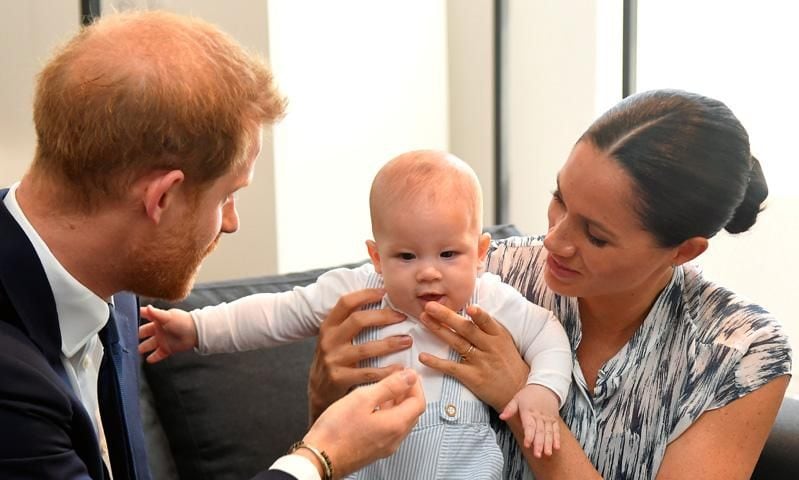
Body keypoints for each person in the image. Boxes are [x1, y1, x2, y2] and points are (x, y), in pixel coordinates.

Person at [0, 10, 425, 480]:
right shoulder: (11, 383)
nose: (231, 223)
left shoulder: (114, 282)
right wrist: (319, 458)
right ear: (161, 197)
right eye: (227, 196)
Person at [306, 90, 793, 479]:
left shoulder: (739, 353)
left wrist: (520, 397)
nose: (555, 241)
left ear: (683, 251)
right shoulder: (487, 273)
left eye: (595, 235)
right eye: (559, 199)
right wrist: (325, 392)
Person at [138, 150, 573, 478]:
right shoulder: (359, 289)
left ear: (479, 253)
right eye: (405, 256)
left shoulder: (489, 298)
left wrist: (540, 393)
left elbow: (548, 336)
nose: (428, 273)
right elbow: (277, 313)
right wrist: (196, 328)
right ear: (376, 258)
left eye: (448, 254)